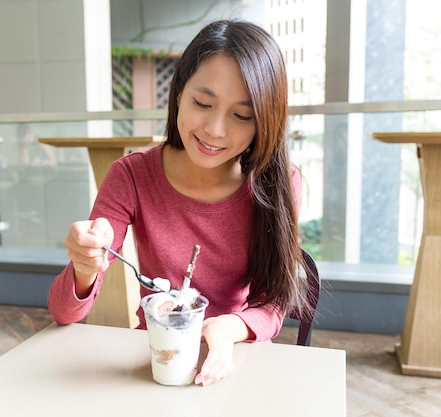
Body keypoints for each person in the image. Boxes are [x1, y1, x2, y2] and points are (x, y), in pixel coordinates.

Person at [47, 19, 310, 386]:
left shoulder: (278, 185)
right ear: (178, 94)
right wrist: (84, 266)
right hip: (151, 366)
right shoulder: (132, 176)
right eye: (202, 103)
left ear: (264, 121)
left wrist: (228, 328)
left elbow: (273, 304)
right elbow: (63, 312)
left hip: (234, 361)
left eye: (241, 115)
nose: (215, 129)